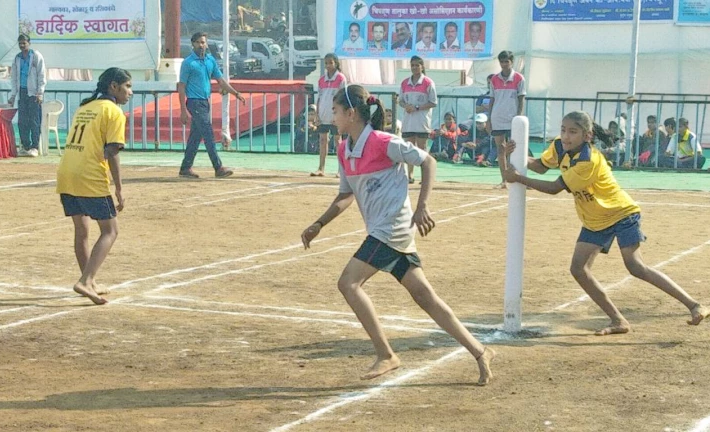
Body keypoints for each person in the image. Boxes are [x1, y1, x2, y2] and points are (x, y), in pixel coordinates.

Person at [300, 83, 495, 384]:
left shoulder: (384, 142)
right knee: (425, 297)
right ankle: (480, 351)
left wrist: (422, 207)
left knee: (348, 283)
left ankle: (386, 354)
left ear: (351, 114)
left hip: (391, 229)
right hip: (388, 232)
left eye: (335, 110)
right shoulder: (343, 149)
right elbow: (345, 195)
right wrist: (319, 223)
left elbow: (428, 161)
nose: (331, 116)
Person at [502, 111, 710, 335]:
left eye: (573, 132)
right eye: (563, 130)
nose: (566, 136)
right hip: (595, 220)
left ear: (587, 136)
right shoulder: (559, 146)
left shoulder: (588, 160)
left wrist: (518, 178)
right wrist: (512, 155)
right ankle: (618, 321)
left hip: (621, 213)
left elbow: (554, 188)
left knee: (635, 266)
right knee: (578, 269)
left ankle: (694, 305)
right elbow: (541, 166)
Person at [55, 67, 132, 306]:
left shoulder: (85, 107)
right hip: (89, 175)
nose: (130, 92)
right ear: (113, 86)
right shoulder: (114, 112)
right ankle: (86, 280)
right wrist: (119, 187)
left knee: (82, 230)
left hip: (67, 172)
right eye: (127, 86)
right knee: (110, 231)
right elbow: (112, 151)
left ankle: (89, 280)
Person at [178, 32, 245, 179]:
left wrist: (235, 93)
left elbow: (220, 80)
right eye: (198, 42)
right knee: (208, 133)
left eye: (203, 42)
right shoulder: (188, 63)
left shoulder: (210, 60)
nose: (201, 45)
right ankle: (218, 167)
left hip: (204, 102)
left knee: (196, 136)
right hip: (194, 102)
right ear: (193, 44)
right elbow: (181, 86)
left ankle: (185, 167)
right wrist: (183, 109)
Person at [488, 50, 525, 188]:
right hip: (497, 117)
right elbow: (492, 99)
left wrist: (518, 116)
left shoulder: (519, 78)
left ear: (512, 62)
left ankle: (517, 178)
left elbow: (521, 99)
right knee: (500, 149)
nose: (504, 64)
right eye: (502, 62)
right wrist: (489, 118)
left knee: (514, 149)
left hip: (513, 118)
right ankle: (504, 180)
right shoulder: (494, 79)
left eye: (506, 61)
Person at [399, 56, 438, 184]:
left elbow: (433, 102)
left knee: (422, 149)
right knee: (409, 148)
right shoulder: (405, 83)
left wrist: (417, 107)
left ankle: (425, 176)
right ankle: (409, 175)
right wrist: (406, 106)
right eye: (412, 65)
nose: (414, 68)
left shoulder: (428, 82)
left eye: (417, 65)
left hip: (422, 121)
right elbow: (400, 101)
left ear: (422, 66)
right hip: (408, 122)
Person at [8, 34, 46, 158]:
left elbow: (42, 75)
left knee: (34, 121)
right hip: (22, 93)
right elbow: (14, 78)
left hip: (34, 94)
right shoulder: (17, 58)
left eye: (24, 43)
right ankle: (25, 147)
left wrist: (40, 93)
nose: (22, 45)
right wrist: (13, 95)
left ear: (29, 43)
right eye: (20, 43)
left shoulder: (36, 56)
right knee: (22, 122)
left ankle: (35, 147)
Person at [312, 53, 347, 176]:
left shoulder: (341, 78)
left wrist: (339, 114)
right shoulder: (322, 80)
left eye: (330, 63)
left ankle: (340, 170)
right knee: (323, 140)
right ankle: (321, 168)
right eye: (326, 63)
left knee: (338, 141)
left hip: (335, 116)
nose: (328, 65)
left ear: (336, 63)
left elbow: (343, 98)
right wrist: (317, 114)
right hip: (323, 114)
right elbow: (319, 98)